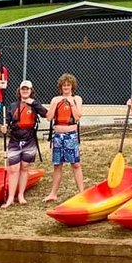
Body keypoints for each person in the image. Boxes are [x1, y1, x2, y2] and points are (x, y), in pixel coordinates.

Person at [1, 80, 47, 207]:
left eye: (27, 89)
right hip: (15, 139)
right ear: (19, 91)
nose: (25, 91)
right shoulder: (13, 106)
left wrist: (34, 103)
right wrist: (4, 127)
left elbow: (46, 114)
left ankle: (21, 195)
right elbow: (7, 121)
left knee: (25, 167)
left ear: (31, 91)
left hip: (29, 138)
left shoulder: (34, 105)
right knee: (14, 168)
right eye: (23, 89)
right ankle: (10, 197)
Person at [44, 74, 85, 203]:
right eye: (64, 85)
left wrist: (72, 103)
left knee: (76, 164)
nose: (66, 87)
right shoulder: (55, 99)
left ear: (72, 86)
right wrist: (54, 104)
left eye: (68, 85)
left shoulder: (76, 99)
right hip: (58, 136)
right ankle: (53, 193)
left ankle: (82, 193)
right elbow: (49, 117)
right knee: (57, 165)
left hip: (70, 135)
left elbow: (78, 116)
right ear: (60, 87)